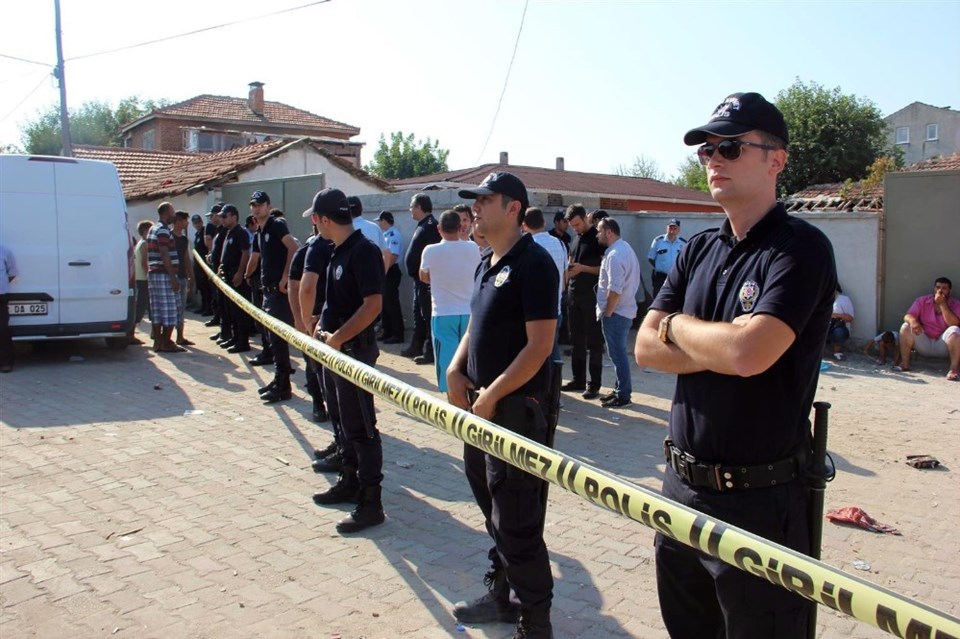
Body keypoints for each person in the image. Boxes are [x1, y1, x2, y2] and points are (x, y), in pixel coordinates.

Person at [634, 92, 837, 638]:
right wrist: (714, 343)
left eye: (729, 146)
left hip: (760, 504)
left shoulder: (800, 248)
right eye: (706, 150)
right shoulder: (697, 249)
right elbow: (644, 348)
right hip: (680, 492)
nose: (714, 159)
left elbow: (751, 355)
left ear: (777, 160)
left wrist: (677, 326)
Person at [448, 172, 558, 639]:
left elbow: (540, 346)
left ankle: (535, 621)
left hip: (515, 412)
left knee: (517, 519)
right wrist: (455, 369)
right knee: (492, 508)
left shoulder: (534, 263)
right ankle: (502, 595)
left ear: (513, 208)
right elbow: (476, 326)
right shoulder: (485, 262)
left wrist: (492, 395)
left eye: (485, 200)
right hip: (483, 409)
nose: (475, 208)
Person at [305, 188, 386, 534]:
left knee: (362, 428)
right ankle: (350, 482)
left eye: (315, 218)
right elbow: (334, 302)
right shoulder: (336, 251)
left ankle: (371, 504)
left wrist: (338, 338)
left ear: (324, 220)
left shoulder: (363, 251)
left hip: (353, 353)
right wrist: (321, 327)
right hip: (335, 352)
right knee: (344, 422)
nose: (314, 224)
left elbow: (373, 305)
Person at [419, 210, 480, 389]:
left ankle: (451, 402)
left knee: (447, 364)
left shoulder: (430, 250)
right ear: (461, 227)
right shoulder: (472, 248)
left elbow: (424, 276)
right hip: (469, 313)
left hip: (443, 313)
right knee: (468, 361)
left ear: (439, 228)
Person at [249, 190, 299, 403]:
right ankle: (280, 379)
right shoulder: (260, 230)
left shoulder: (276, 225)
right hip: (267, 291)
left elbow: (293, 248)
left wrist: (285, 276)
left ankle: (283, 385)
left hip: (278, 293)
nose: (256, 208)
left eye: (260, 204)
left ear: (268, 206)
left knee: (278, 340)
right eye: (254, 205)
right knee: (272, 339)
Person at [595, 218, 641, 407]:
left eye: (599, 230)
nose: (597, 234)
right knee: (617, 354)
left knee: (618, 354)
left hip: (617, 313)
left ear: (609, 232)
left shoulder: (615, 254)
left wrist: (608, 313)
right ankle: (619, 389)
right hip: (623, 311)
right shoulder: (624, 248)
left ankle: (623, 395)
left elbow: (615, 290)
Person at [562, 204, 605, 399]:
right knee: (576, 339)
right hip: (574, 295)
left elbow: (603, 270)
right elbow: (572, 261)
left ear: (585, 219)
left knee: (594, 341)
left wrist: (582, 269)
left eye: (578, 224)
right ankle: (578, 379)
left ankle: (594, 384)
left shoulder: (598, 238)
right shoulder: (574, 239)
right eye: (572, 226)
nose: (576, 228)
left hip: (592, 296)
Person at [289, 226, 329, 425]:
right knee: (313, 366)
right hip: (311, 319)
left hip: (333, 320)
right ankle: (318, 405)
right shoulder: (305, 251)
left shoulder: (341, 247)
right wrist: (300, 319)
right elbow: (294, 286)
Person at [522, 207, 567, 360]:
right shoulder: (560, 244)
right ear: (544, 222)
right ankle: (555, 382)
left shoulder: (525, 247)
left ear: (524, 225)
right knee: (553, 353)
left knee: (535, 357)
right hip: (556, 308)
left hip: (533, 314)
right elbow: (565, 279)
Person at [402, 192, 441, 364]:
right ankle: (416, 346)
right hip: (418, 281)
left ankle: (430, 351)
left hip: (427, 282)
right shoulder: (423, 224)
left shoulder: (431, 226)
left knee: (427, 316)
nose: (410, 210)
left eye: (412, 206)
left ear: (419, 207)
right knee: (418, 315)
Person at [896, 277, 960, 380]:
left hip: (942, 345)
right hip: (924, 342)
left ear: (949, 290)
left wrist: (942, 304)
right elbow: (908, 315)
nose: (940, 290)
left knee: (955, 330)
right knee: (906, 326)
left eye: (944, 288)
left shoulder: (956, 304)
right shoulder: (922, 300)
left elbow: (954, 323)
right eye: (938, 287)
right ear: (934, 288)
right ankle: (905, 364)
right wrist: (913, 321)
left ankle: (953, 370)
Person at [146, 202, 185, 353]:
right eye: (172, 212)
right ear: (166, 213)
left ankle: (158, 342)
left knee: (157, 310)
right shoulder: (162, 230)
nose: (174, 215)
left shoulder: (152, 229)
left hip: (154, 273)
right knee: (170, 310)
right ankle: (166, 342)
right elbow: (164, 253)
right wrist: (173, 278)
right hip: (163, 274)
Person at [216, 205, 252, 353]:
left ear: (234, 216)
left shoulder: (240, 232)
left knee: (239, 312)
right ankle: (235, 337)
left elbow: (245, 253)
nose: (222, 219)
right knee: (230, 310)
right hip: (227, 275)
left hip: (236, 275)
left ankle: (242, 341)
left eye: (225, 216)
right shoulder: (228, 232)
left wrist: (240, 272)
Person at [376, 211, 404, 344]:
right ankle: (387, 331)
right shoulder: (386, 234)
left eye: (379, 221)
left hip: (390, 271)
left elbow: (393, 256)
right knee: (385, 303)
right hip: (386, 270)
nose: (379, 224)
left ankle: (397, 333)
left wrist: (383, 271)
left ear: (384, 220)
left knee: (392, 303)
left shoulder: (393, 235)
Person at [647, 219, 686, 297]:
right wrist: (660, 267)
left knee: (675, 298)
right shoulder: (658, 241)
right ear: (666, 228)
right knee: (658, 297)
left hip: (676, 276)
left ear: (679, 230)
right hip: (660, 277)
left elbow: (685, 261)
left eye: (675, 228)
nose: (672, 231)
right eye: (670, 228)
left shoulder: (683, 243)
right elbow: (651, 258)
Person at [172, 211, 194, 347]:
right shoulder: (168, 237)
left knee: (181, 308)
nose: (187, 223)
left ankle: (180, 336)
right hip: (171, 277)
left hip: (182, 276)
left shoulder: (184, 239)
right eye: (186, 220)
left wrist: (191, 275)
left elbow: (186, 258)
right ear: (179, 221)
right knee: (171, 308)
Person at [131, 219, 153, 345]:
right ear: (145, 231)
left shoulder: (140, 243)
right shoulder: (145, 244)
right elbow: (144, 263)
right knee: (140, 306)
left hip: (140, 279)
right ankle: (131, 334)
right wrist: (149, 275)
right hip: (144, 279)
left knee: (144, 305)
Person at [0, 243, 18, 373]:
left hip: (0, 296)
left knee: (2, 330)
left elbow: (12, 273)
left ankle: (6, 362)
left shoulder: (5, 251)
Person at [191, 214, 213, 316]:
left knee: (206, 288)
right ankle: (203, 307)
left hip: (204, 265)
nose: (197, 224)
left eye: (198, 222)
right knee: (201, 287)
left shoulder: (205, 232)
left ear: (201, 222)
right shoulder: (197, 234)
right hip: (198, 265)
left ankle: (209, 308)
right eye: (195, 223)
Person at [827, 284, 854, 360]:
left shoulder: (843, 299)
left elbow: (850, 318)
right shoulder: (823, 299)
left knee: (838, 333)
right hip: (826, 325)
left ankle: (837, 352)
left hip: (839, 326)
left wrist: (835, 315)